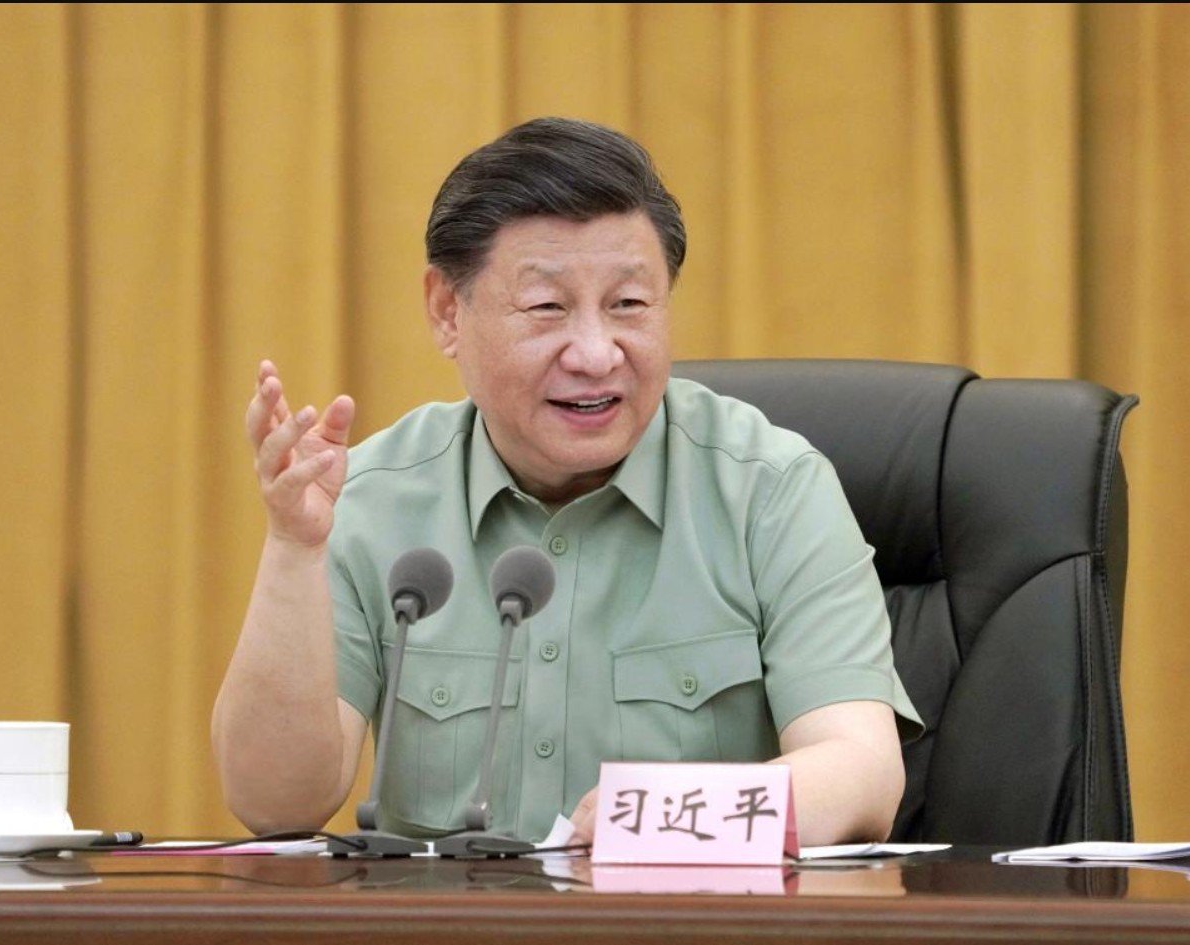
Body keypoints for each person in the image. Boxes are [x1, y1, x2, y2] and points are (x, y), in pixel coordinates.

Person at [212, 117, 921, 846]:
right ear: (446, 311)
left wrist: (648, 820)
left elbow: (861, 773)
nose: (594, 352)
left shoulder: (772, 491)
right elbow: (275, 804)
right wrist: (293, 548)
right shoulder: (372, 496)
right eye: (547, 307)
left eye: (629, 306)